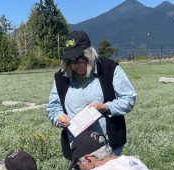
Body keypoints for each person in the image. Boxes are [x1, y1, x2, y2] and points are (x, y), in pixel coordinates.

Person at [46, 31, 136, 161]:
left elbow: (129, 99)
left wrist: (106, 107)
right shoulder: (61, 77)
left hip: (108, 145)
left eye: (80, 59)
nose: (75, 65)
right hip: (77, 146)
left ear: (90, 54)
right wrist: (58, 117)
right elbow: (53, 107)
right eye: (71, 61)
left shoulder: (109, 69)